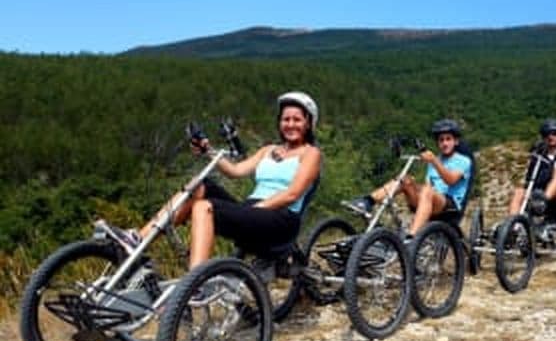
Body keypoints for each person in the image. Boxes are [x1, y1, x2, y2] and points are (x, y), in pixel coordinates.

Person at [131, 92, 322, 269]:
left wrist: (259, 207)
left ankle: (194, 283)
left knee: (204, 207)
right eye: (285, 119)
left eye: (297, 119)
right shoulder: (268, 150)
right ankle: (137, 242)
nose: (290, 124)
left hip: (281, 218)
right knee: (199, 186)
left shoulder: (310, 153)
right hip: (253, 212)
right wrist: (208, 151)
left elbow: (292, 194)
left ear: (308, 123)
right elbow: (236, 171)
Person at [347, 119, 472, 238]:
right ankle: (367, 201)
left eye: (448, 139)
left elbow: (451, 180)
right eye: (441, 140)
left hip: (450, 205)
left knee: (427, 190)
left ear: (456, 141)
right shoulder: (435, 160)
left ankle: (411, 237)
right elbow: (428, 183)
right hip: (429, 200)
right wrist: (415, 187)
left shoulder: (463, 161)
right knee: (405, 179)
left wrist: (434, 161)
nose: (444, 143)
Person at [508, 118, 556, 217]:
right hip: (537, 191)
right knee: (519, 191)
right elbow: (529, 180)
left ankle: (543, 201)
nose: (550, 137)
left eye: (554, 133)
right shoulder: (538, 156)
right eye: (546, 134)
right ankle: (513, 224)